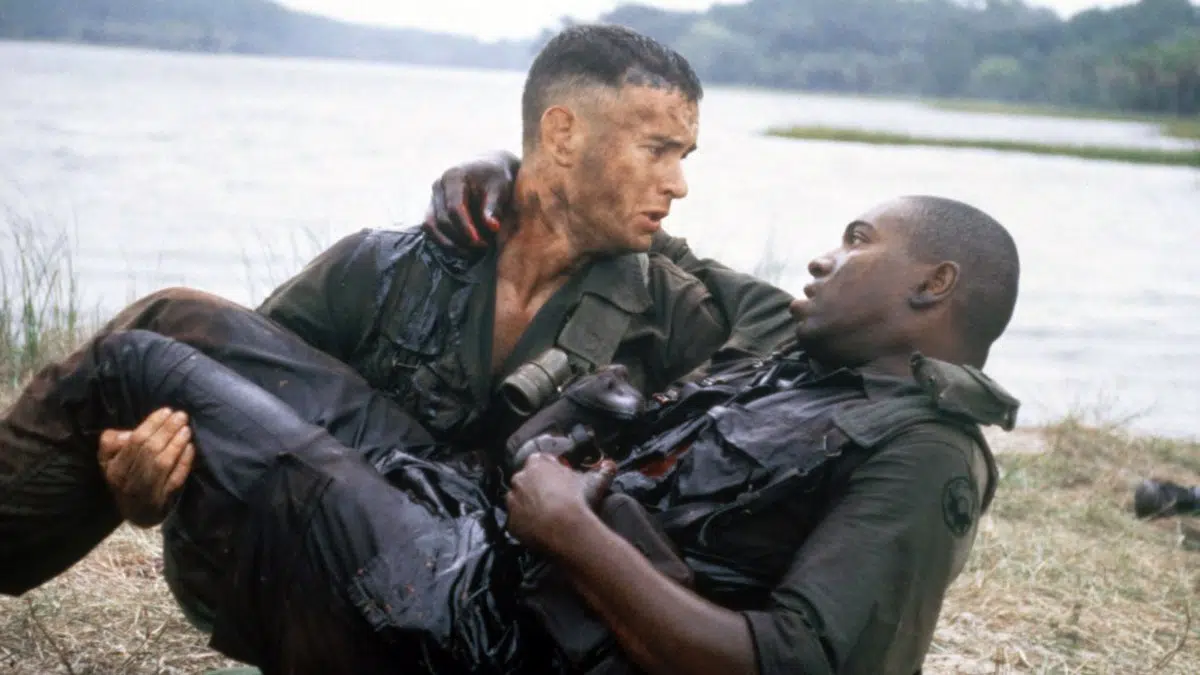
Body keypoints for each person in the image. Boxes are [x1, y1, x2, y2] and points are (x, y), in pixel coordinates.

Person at [1, 193, 1020, 675]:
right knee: (179, 318)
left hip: (479, 627)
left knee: (133, 366)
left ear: (934, 285)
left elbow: (799, 668)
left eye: (858, 243)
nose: (822, 261)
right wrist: (506, 178)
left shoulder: (925, 450)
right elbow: (661, 247)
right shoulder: (802, 357)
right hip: (476, 529)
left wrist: (573, 533)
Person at [93, 21, 795, 534]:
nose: (677, 183)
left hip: (484, 613)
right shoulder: (380, 268)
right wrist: (147, 488)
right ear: (562, 134)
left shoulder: (669, 309)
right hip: (317, 571)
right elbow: (231, 407)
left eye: (683, 157)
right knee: (169, 330)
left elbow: (791, 338)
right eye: (656, 150)